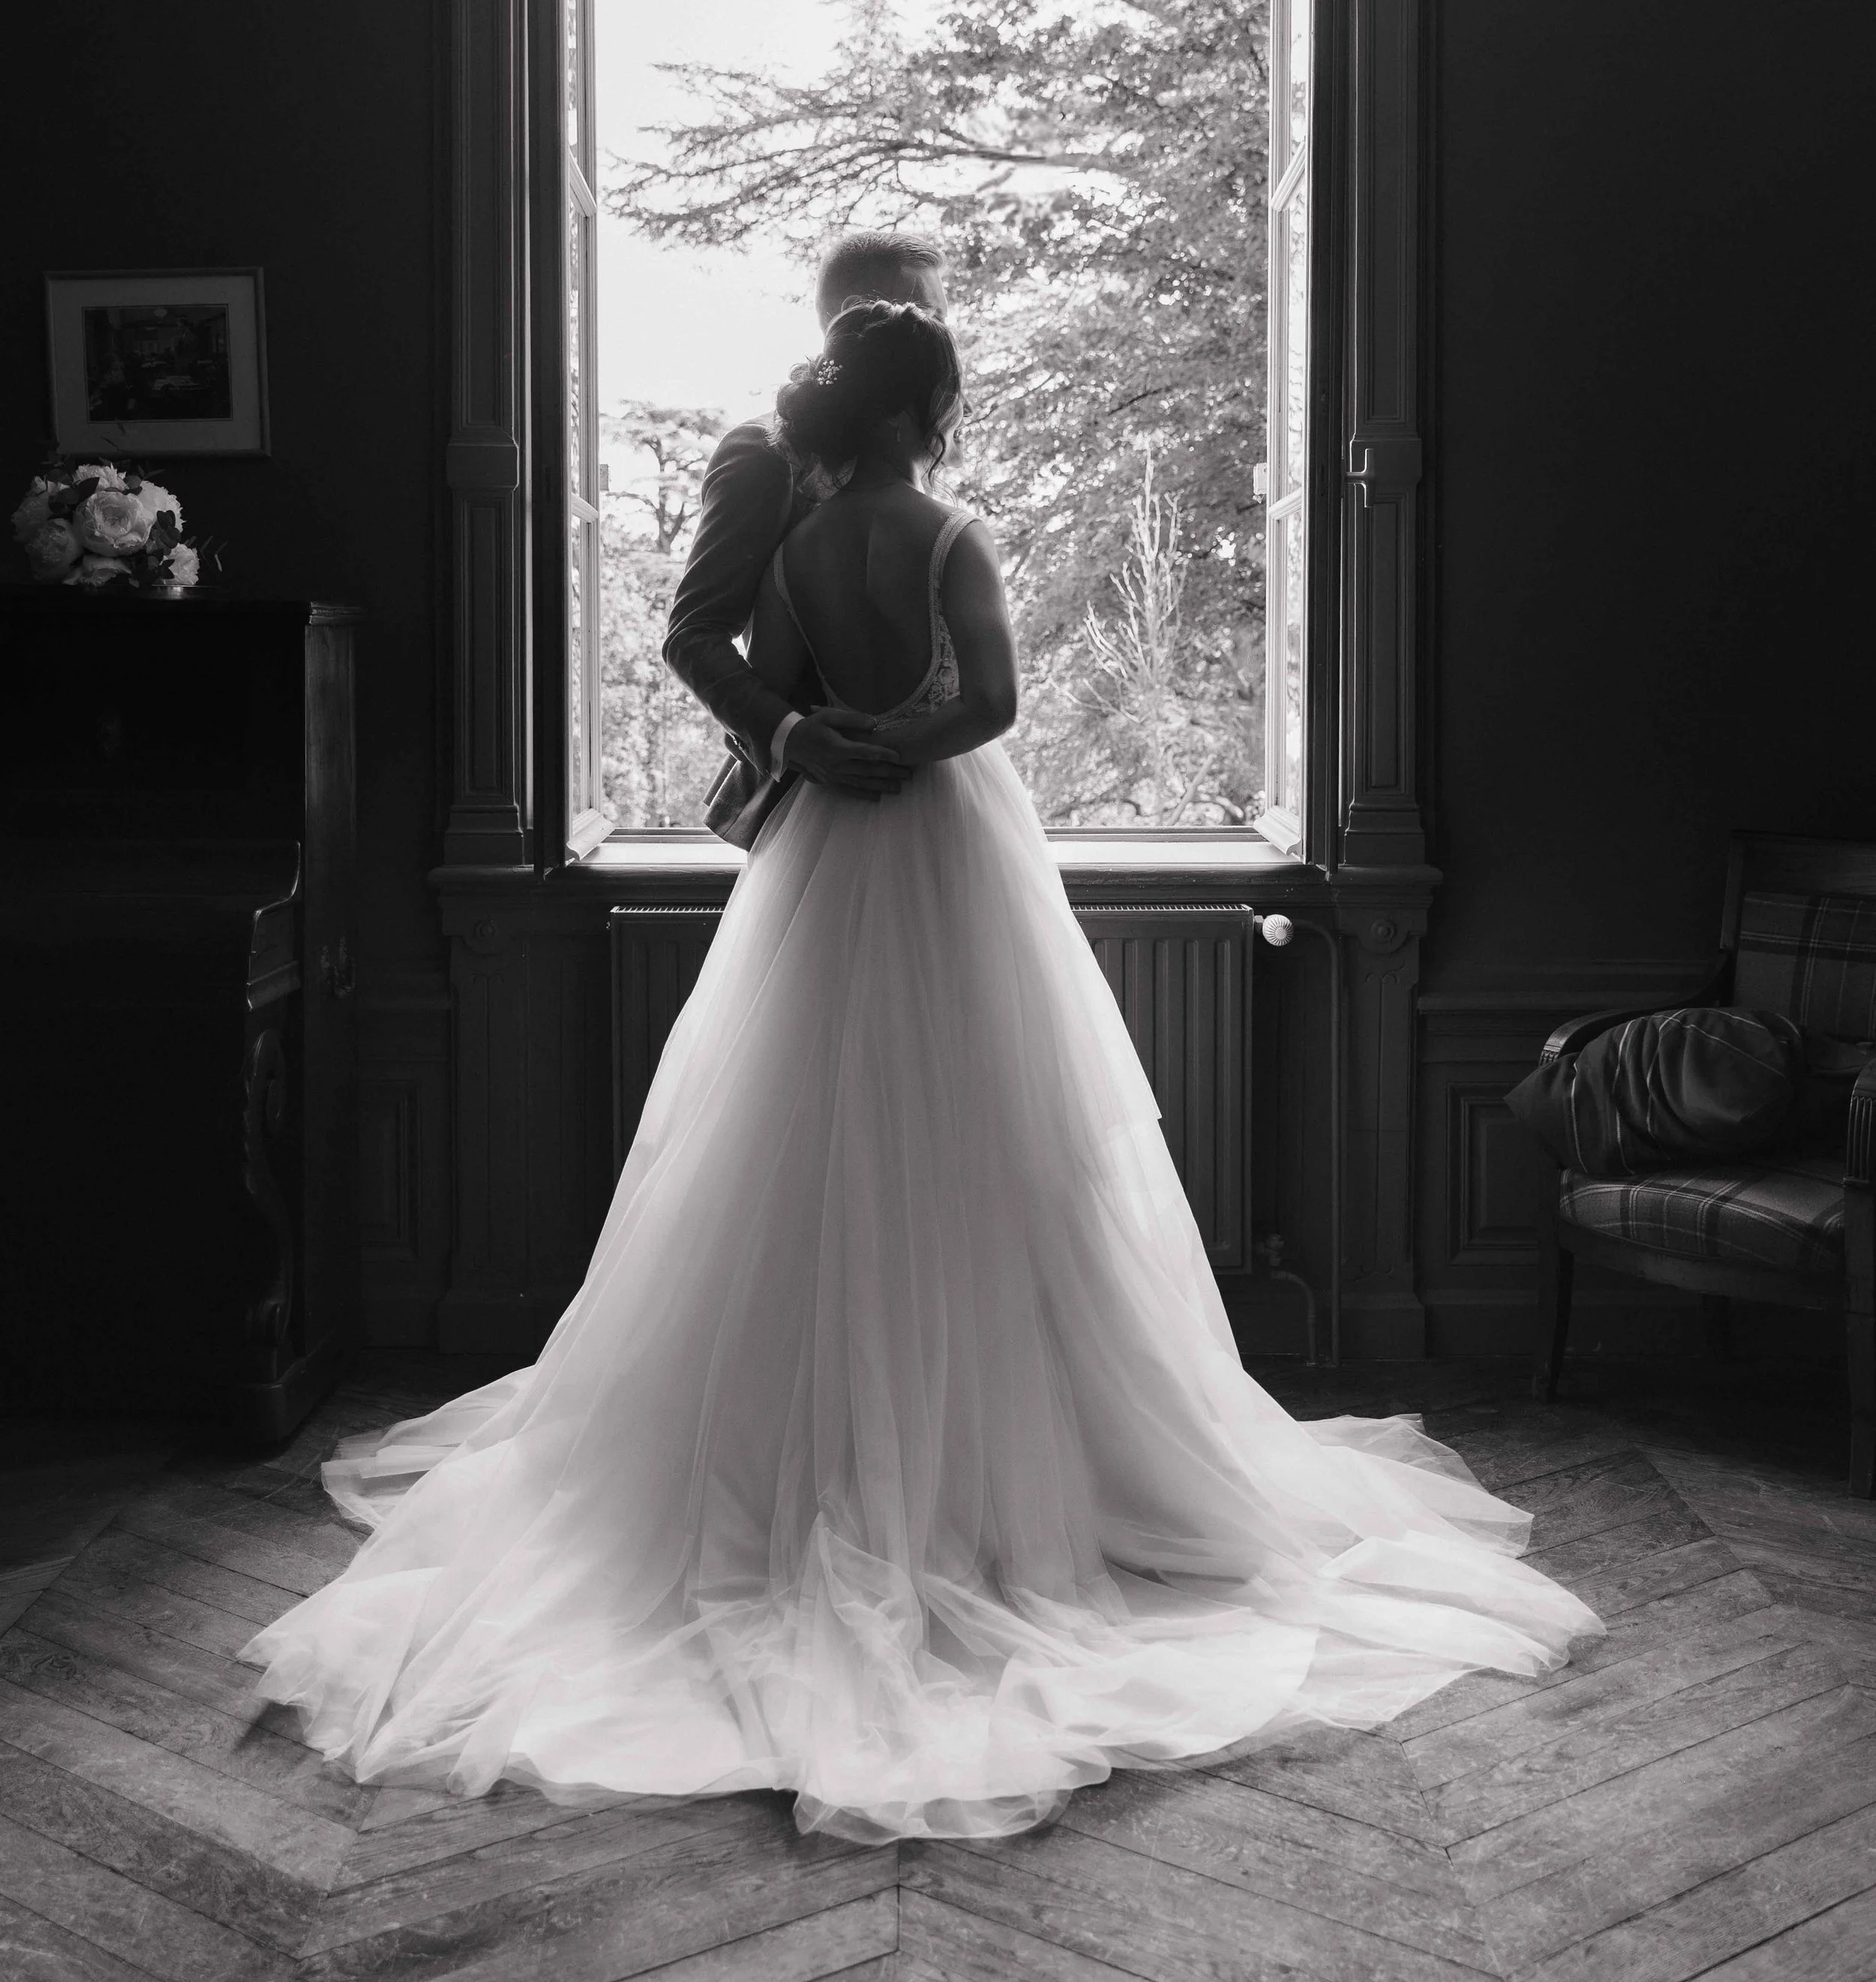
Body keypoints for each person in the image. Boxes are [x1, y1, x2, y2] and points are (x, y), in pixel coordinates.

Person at [241, 304, 1601, 1845]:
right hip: (947, 835)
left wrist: (830, 737)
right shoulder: (949, 527)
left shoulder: (810, 545)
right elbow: (997, 705)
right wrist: (919, 730)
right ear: (933, 403)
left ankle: (787, 1462)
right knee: (991, 1138)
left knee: (799, 1137)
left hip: (827, 841)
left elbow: (770, 677)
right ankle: (1003, 1481)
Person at [663, 228, 949, 830]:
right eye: (928, 312)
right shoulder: (765, 454)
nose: (943, 333)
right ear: (865, 319)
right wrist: (795, 739)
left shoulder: (913, 449)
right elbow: (693, 635)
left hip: (932, 794)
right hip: (809, 802)